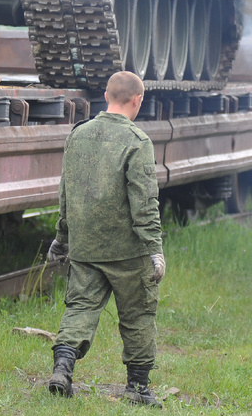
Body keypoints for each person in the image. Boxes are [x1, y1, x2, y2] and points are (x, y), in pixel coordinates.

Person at [46, 70, 166, 408]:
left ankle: (62, 371)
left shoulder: (78, 135)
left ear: (107, 94)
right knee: (138, 316)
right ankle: (138, 388)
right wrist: (154, 249)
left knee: (80, 309)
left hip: (85, 246)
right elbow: (144, 202)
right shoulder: (137, 141)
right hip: (128, 252)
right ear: (137, 100)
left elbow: (65, 193)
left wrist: (62, 237)